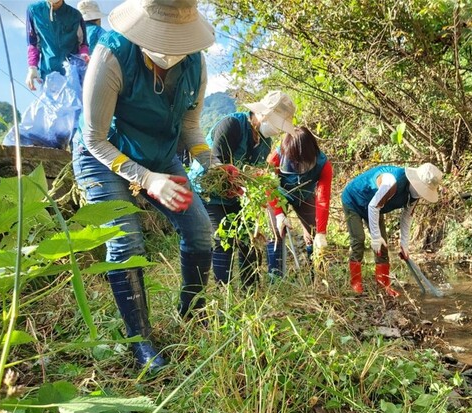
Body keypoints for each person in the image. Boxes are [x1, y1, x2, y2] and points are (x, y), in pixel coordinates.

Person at [71, 0, 217, 373]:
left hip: (160, 153)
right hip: (105, 155)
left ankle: (192, 312)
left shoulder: (195, 66)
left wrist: (214, 166)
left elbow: (191, 129)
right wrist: (147, 180)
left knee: (201, 230)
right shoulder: (111, 55)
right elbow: (94, 138)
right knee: (126, 242)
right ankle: (142, 342)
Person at [202, 90, 296, 285]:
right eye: (276, 124)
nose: (277, 131)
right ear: (262, 114)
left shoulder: (265, 143)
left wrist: (277, 211)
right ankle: (223, 291)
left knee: (250, 239)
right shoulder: (232, 125)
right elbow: (215, 163)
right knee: (223, 237)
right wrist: (241, 182)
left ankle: (250, 290)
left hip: (240, 195)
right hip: (212, 191)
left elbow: (260, 177)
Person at [341, 163, 443, 296]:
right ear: (415, 181)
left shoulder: (415, 196)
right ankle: (356, 284)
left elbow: (406, 217)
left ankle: (383, 286)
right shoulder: (391, 182)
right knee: (358, 239)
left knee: (383, 246)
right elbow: (373, 206)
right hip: (353, 200)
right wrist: (376, 237)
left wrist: (404, 245)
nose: (421, 193)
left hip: (374, 206)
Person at [266, 126, 332, 277]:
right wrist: (278, 214)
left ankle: (316, 276)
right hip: (279, 194)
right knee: (276, 231)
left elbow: (323, 199)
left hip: (304, 195)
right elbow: (268, 185)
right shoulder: (277, 156)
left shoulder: (323, 165)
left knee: (314, 232)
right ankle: (275, 278)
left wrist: (321, 233)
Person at [26, 0, 89, 90]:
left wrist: (84, 57)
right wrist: (32, 67)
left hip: (73, 78)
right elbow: (32, 43)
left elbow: (83, 44)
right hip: (48, 76)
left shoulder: (75, 15)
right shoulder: (34, 11)